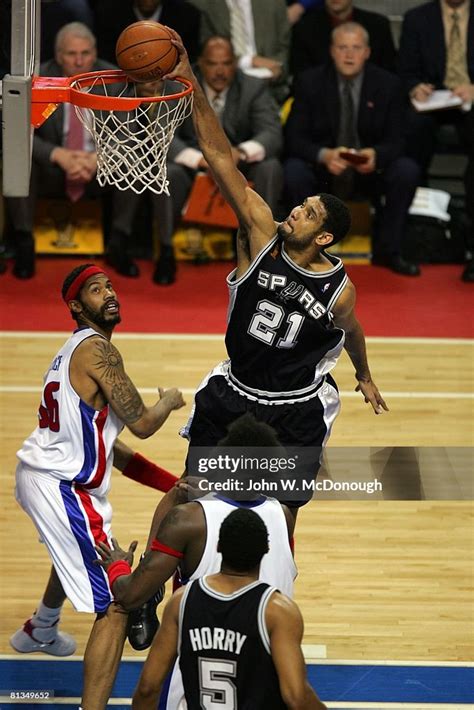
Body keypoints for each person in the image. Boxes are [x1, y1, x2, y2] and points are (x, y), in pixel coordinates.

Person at [163, 30, 387, 474]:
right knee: (188, 490)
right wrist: (189, 81)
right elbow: (218, 155)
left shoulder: (338, 291)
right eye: (301, 205)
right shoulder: (262, 235)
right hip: (235, 390)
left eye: (307, 213)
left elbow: (352, 332)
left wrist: (363, 373)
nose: (296, 212)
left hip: (295, 406)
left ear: (324, 238)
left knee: (280, 510)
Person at [10, 263, 185, 710]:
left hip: (48, 477)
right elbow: (144, 423)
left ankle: (41, 629)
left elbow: (114, 448)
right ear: (75, 306)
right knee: (117, 601)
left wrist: (170, 483)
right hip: (59, 486)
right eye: (94, 289)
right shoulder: (95, 351)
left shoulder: (73, 353)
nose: (108, 293)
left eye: (109, 285)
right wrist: (169, 400)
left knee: (80, 550)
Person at [96, 414, 298, 659]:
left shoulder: (187, 520)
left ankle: (153, 595)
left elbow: (129, 596)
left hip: (201, 670)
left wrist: (117, 564)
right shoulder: (283, 516)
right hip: (267, 667)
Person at [129, 508, 327, 709]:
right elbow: (297, 697)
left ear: (218, 546)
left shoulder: (181, 601)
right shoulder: (277, 611)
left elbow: (148, 688)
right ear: (266, 549)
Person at [284, 22, 421, 276]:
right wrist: (325, 156)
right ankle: (298, 253)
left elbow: (399, 140)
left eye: (356, 48)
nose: (349, 54)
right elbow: (294, 137)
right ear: (332, 51)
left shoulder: (389, 85)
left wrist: (376, 155)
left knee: (406, 169)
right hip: (324, 174)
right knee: (293, 170)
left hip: (370, 172)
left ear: (367, 52)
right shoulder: (309, 82)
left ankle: (390, 251)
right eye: (342, 48)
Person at [3, 22, 131, 280]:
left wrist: (99, 157)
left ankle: (120, 241)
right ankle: (24, 241)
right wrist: (57, 154)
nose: (79, 60)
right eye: (72, 54)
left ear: (95, 54)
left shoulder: (114, 81)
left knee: (132, 161)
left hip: (99, 167)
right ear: (59, 55)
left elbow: (127, 132)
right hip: (54, 166)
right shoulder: (39, 80)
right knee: (16, 162)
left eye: (85, 53)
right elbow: (17, 133)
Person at [398, 0, 474, 282]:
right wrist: (414, 87)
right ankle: (417, 231)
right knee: (412, 131)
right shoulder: (417, 18)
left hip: (471, 100)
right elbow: (404, 71)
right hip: (432, 102)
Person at [190, 0, 291, 103]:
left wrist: (277, 68)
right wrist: (249, 61)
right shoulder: (205, 6)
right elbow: (206, 54)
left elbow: (284, 50)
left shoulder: (274, 3)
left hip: (270, 87)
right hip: (223, 88)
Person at [290, 0, 397, 77]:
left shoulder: (378, 25)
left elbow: (389, 72)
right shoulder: (304, 27)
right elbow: (301, 75)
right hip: (319, 100)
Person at [93, 0, 202, 66]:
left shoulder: (188, 15)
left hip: (170, 81)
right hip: (124, 80)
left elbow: (190, 60)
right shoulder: (108, 12)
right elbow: (105, 57)